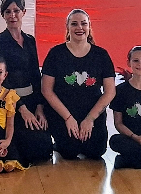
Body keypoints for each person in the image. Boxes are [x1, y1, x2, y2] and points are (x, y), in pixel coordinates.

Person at [41, 9, 116, 160]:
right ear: (67, 27)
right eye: (74, 24)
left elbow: (110, 92)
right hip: (63, 112)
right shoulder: (56, 53)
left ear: (89, 26)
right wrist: (68, 118)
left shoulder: (101, 55)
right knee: (69, 152)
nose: (79, 28)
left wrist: (90, 119)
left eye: (83, 24)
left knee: (96, 151)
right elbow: (46, 90)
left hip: (91, 111)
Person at [0, 0, 53, 164]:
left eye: (16, 10)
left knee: (44, 149)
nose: (12, 15)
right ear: (3, 15)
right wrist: (22, 109)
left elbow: (35, 75)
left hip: (31, 100)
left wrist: (39, 108)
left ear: (23, 12)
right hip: (9, 102)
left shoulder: (30, 40)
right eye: (8, 12)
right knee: (26, 152)